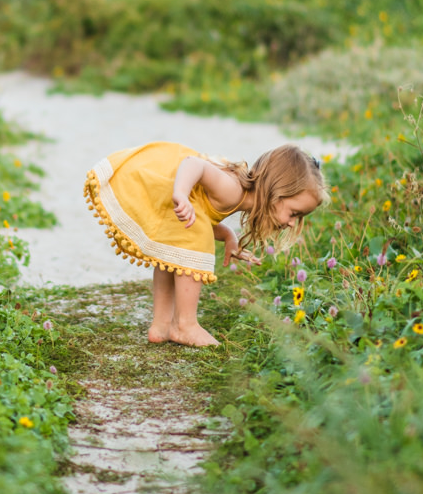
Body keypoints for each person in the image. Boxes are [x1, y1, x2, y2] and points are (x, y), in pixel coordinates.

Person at [84, 142, 327, 346]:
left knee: (174, 250)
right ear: (276, 192)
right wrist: (180, 193)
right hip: (163, 183)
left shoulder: (239, 195)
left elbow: (203, 213)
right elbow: (193, 164)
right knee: (193, 241)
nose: (293, 223)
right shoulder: (232, 189)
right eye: (294, 213)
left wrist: (229, 238)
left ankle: (161, 326)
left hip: (177, 194)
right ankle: (185, 325)